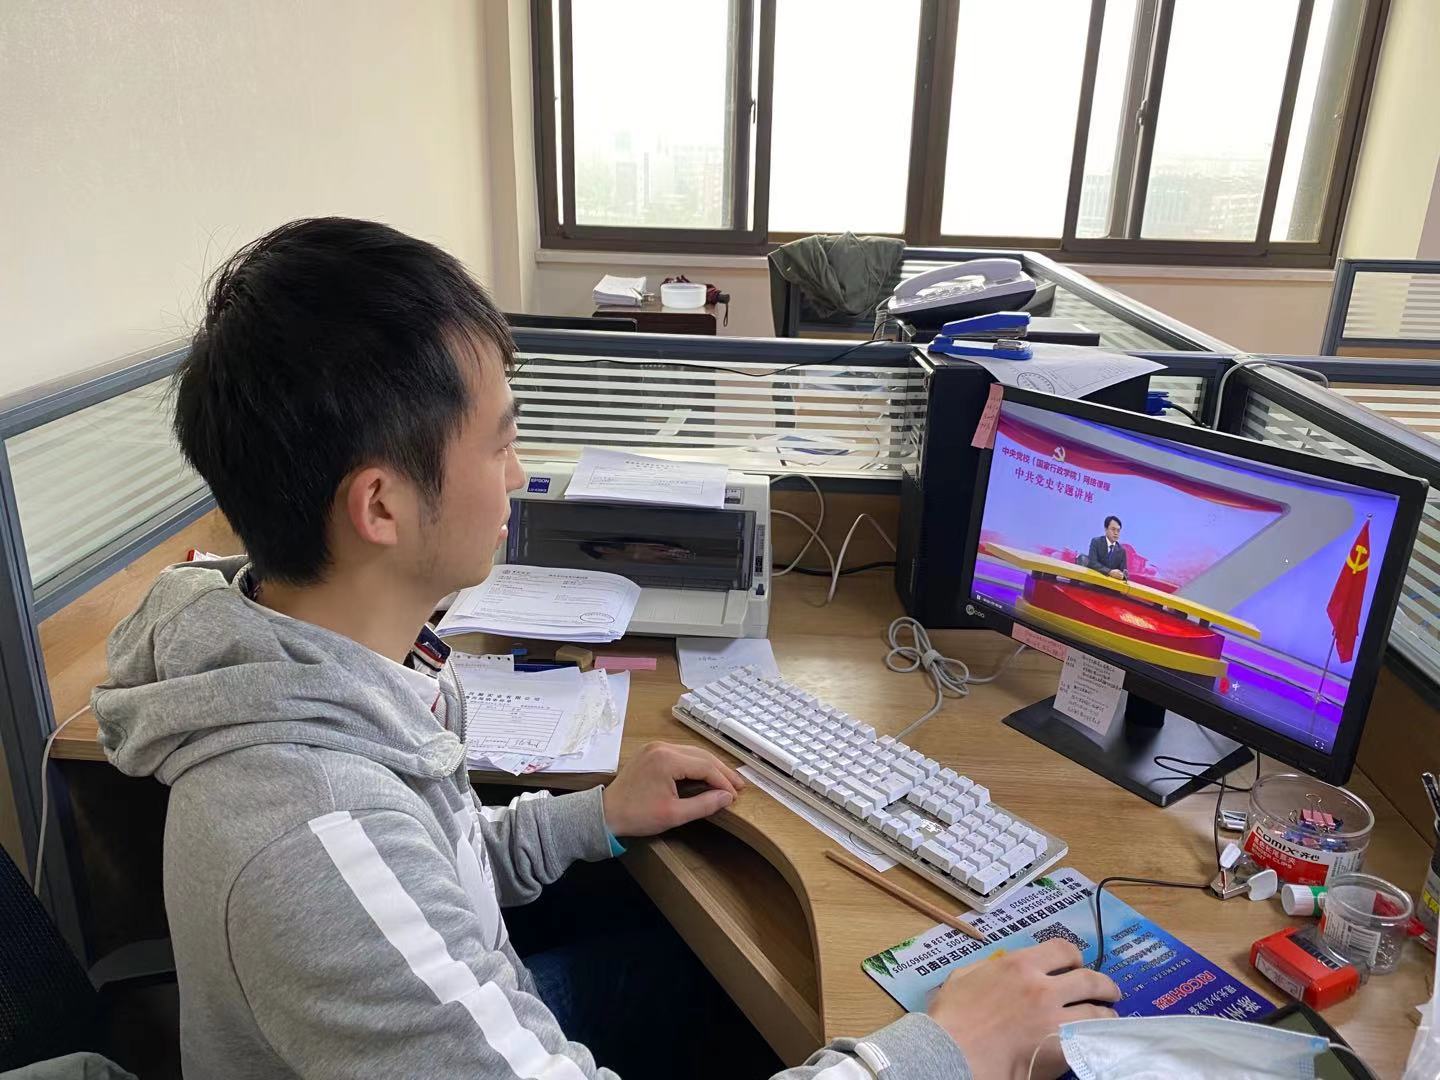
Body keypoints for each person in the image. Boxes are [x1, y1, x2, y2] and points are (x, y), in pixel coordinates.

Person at [92, 218, 1118, 1079]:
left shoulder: (316, 661)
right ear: (382, 505)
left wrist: (595, 817)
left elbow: (433, 867)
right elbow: (375, 881)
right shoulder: (315, 840)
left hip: (474, 1014)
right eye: (501, 440)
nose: (518, 474)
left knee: (707, 982)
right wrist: (944, 1051)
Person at [1084, 515, 1129, 580]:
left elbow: (1124, 573)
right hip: (1093, 580)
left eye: (1118, 531)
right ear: (1106, 529)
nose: (1116, 533)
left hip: (1110, 584)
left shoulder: (1121, 551)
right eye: (1113, 529)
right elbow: (1092, 563)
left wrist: (1122, 575)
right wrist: (1109, 572)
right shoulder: (1096, 542)